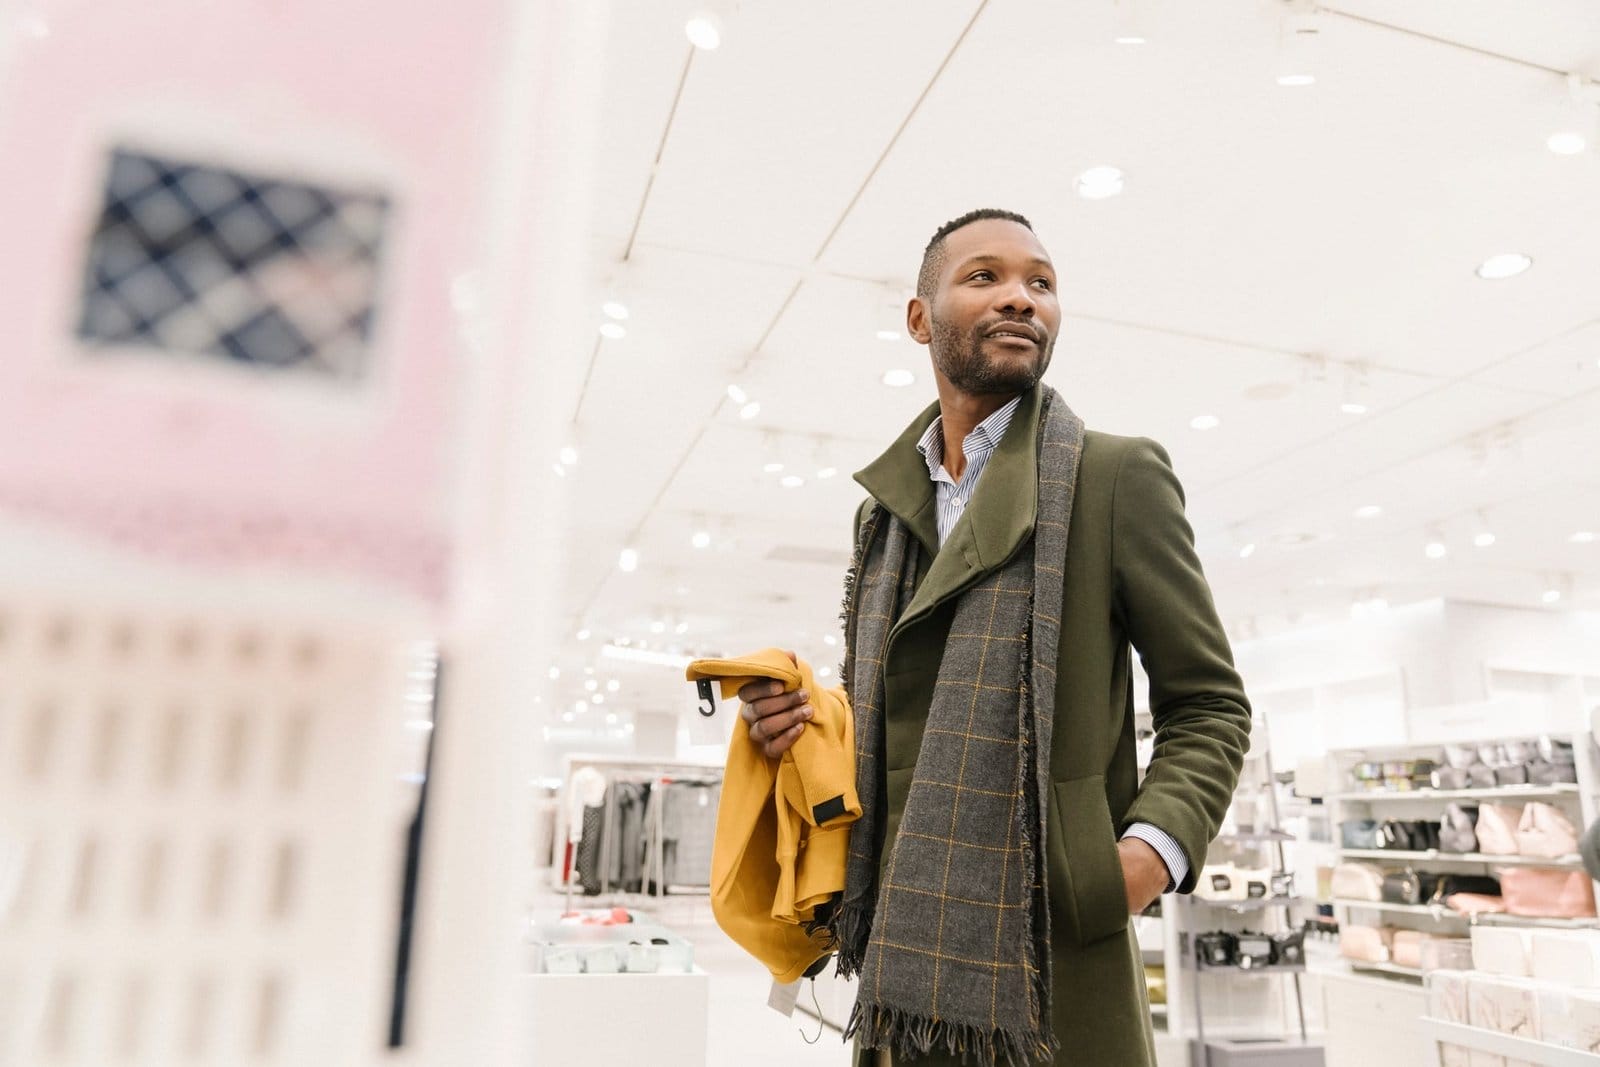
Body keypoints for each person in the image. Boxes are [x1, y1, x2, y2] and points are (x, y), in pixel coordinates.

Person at [738, 208, 1252, 1066]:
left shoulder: (1115, 477)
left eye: (1040, 283)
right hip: (904, 947)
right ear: (918, 318)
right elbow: (892, 713)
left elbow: (1210, 705)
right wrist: (804, 724)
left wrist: (1135, 862)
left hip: (1054, 947)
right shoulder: (885, 516)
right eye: (985, 277)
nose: (1020, 297)